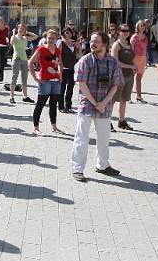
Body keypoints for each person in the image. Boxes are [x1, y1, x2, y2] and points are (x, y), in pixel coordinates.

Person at [70, 32, 124, 183]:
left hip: (104, 107)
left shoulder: (113, 62)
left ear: (105, 44)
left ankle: (103, 165)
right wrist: (95, 103)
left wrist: (105, 103)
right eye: (91, 41)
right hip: (87, 105)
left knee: (104, 138)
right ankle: (77, 169)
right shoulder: (85, 60)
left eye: (96, 42)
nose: (92, 44)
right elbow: (81, 84)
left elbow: (115, 85)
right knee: (82, 138)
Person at [29, 29, 62, 135]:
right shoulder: (41, 49)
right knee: (40, 104)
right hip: (45, 81)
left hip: (56, 81)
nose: (51, 40)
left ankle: (54, 126)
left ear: (56, 39)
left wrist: (60, 74)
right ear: (46, 38)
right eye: (49, 38)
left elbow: (60, 63)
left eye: (53, 38)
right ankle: (36, 127)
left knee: (53, 104)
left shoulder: (57, 50)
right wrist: (35, 78)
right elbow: (30, 62)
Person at [110, 25, 136, 131]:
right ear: (118, 32)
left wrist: (134, 68)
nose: (126, 32)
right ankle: (107, 121)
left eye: (127, 30)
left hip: (129, 75)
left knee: (124, 99)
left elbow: (132, 58)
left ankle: (122, 121)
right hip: (119, 76)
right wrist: (131, 66)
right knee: (112, 100)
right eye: (123, 30)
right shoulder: (117, 45)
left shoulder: (129, 44)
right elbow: (115, 62)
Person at [9, 23, 37, 104]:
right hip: (16, 59)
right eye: (20, 28)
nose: (21, 30)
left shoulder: (25, 38)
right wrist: (14, 33)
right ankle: (11, 96)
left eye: (23, 29)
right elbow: (12, 42)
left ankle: (25, 96)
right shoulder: (15, 37)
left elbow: (35, 36)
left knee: (24, 78)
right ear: (17, 29)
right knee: (14, 77)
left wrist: (27, 32)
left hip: (24, 59)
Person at [58, 28, 79, 114]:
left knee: (70, 87)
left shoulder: (74, 43)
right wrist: (60, 65)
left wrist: (78, 47)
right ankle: (61, 106)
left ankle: (68, 106)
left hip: (72, 68)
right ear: (63, 34)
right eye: (66, 33)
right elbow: (58, 55)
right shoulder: (61, 43)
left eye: (70, 32)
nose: (68, 34)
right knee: (62, 88)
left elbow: (78, 54)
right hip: (64, 68)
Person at [130, 20, 148, 103]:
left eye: (143, 26)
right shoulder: (134, 37)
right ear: (137, 26)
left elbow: (145, 49)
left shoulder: (145, 37)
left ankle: (139, 96)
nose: (142, 27)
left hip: (142, 59)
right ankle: (128, 96)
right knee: (131, 78)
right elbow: (131, 49)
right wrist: (131, 61)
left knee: (139, 78)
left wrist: (146, 60)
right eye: (141, 25)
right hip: (135, 58)